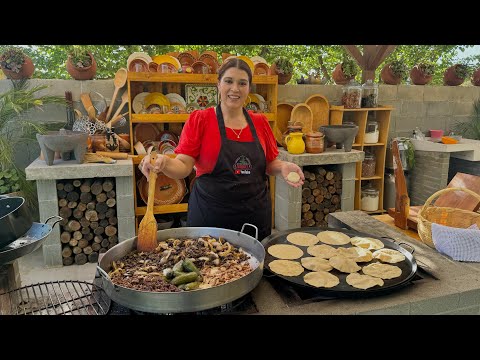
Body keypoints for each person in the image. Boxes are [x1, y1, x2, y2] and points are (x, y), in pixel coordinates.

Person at [139, 58, 304, 241]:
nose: (235, 89)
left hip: (254, 216)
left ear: (249, 88)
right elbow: (183, 165)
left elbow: (270, 162)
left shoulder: (260, 123)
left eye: (242, 83)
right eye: (228, 81)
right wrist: (164, 162)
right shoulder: (201, 120)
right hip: (211, 216)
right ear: (218, 84)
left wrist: (282, 167)